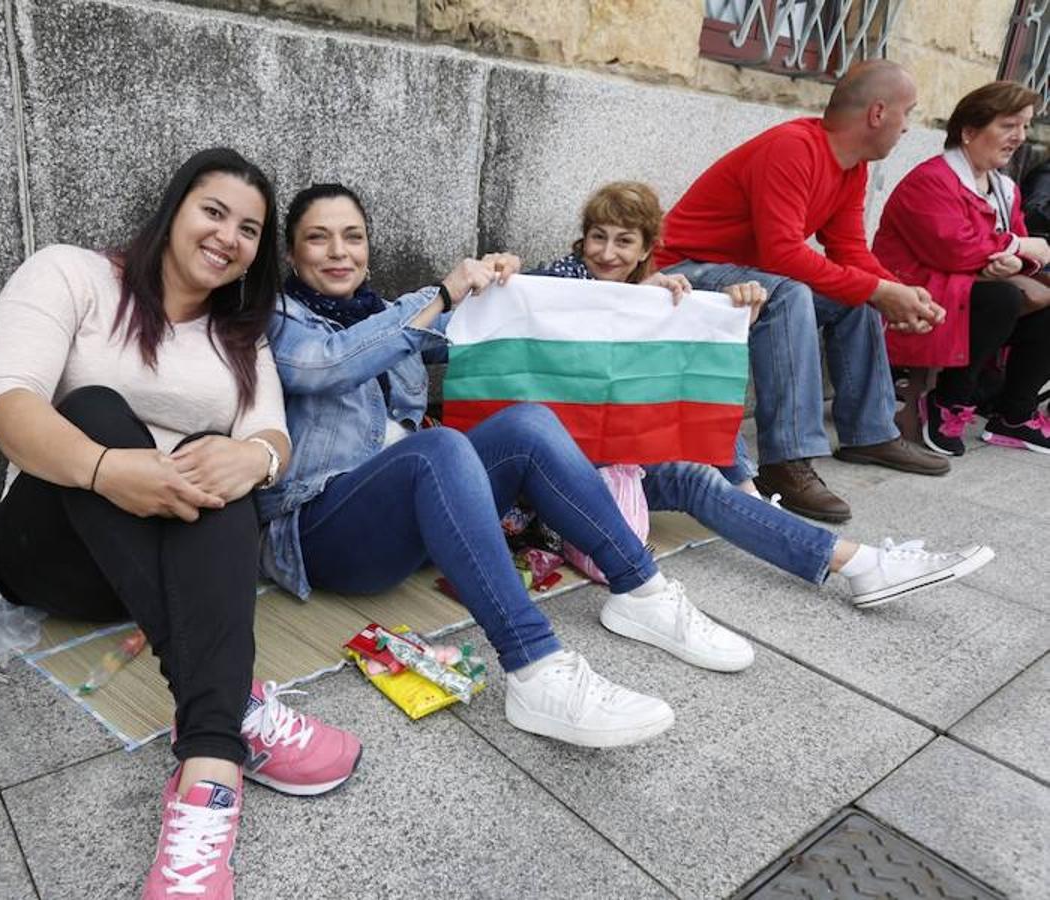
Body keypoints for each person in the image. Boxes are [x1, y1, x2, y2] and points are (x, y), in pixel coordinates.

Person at [0, 149, 360, 900]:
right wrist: (105, 468)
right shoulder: (71, 274)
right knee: (90, 408)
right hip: (56, 541)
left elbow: (272, 436)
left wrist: (250, 458)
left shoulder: (238, 335)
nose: (229, 237)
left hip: (160, 569)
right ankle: (232, 701)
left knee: (218, 461)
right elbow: (6, 406)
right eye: (213, 211)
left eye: (249, 228)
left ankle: (210, 771)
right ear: (174, 209)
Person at [262, 182, 758, 756]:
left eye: (353, 237)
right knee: (440, 446)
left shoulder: (388, 311)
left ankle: (641, 592)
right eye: (317, 239)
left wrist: (635, 302)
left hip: (409, 522)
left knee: (527, 423)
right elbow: (325, 366)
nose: (339, 252)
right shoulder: (279, 318)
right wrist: (444, 293)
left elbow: (519, 334)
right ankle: (537, 670)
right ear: (293, 254)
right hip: (323, 533)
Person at [534, 180, 995, 604]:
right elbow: (523, 303)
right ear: (583, 239)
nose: (607, 252)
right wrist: (499, 268)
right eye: (598, 236)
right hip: (573, 462)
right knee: (699, 464)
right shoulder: (561, 278)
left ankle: (858, 562)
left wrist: (731, 321)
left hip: (622, 454)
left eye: (624, 241)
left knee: (700, 465)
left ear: (646, 250)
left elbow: (687, 387)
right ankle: (752, 501)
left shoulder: (657, 292)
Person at [655, 60, 950, 525]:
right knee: (792, 291)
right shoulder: (793, 148)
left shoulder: (852, 167)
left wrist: (894, 291)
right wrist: (879, 289)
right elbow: (782, 256)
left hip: (748, 276)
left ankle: (869, 431)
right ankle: (784, 462)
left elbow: (849, 248)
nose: (909, 127)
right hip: (683, 273)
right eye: (908, 113)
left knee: (854, 297)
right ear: (877, 113)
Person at [873, 81, 1050, 456]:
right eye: (1008, 125)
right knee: (1001, 297)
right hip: (914, 295)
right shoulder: (931, 180)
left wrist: (1018, 258)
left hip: (962, 291)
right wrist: (1019, 249)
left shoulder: (1005, 188)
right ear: (969, 132)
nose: (1019, 137)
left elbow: (1017, 247)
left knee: (1032, 295)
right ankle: (948, 402)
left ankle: (1015, 415)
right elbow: (955, 251)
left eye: (1025, 126)